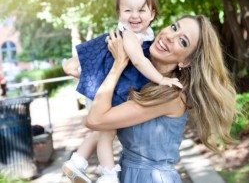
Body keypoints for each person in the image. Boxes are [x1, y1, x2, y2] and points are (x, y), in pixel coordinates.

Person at [84, 15, 238, 183]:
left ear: (186, 61)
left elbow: (95, 119)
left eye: (183, 41)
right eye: (174, 27)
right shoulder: (139, 77)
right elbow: (72, 69)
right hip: (129, 174)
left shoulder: (171, 95)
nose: (170, 36)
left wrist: (118, 64)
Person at [62, 0, 181, 183]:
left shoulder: (145, 35)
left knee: (104, 132)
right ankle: (108, 175)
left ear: (152, 14)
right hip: (105, 92)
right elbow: (138, 61)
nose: (134, 16)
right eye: (128, 11)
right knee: (107, 134)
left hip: (108, 89)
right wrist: (161, 79)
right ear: (119, 13)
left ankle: (77, 161)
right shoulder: (129, 36)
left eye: (141, 10)